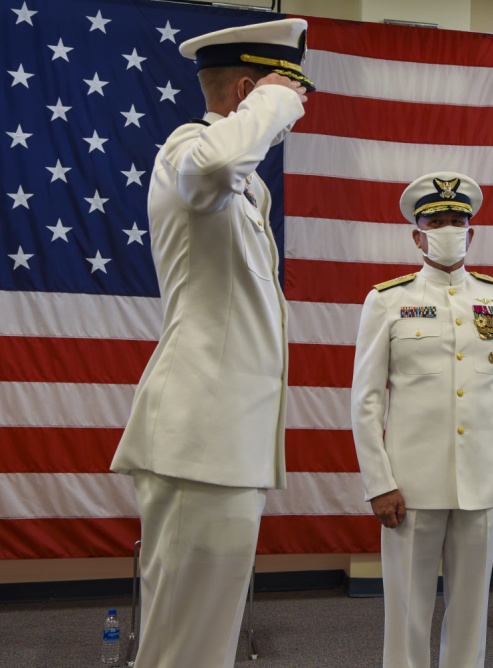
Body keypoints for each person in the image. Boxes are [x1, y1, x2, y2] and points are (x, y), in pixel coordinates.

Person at [110, 18, 312, 668]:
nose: (296, 113)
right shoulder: (188, 153)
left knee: (207, 641)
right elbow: (220, 159)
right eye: (292, 96)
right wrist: (274, 100)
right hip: (199, 441)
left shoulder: (246, 191)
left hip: (226, 445)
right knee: (183, 645)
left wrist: (269, 101)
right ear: (248, 91)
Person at [351, 172, 493, 668]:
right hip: (410, 486)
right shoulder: (387, 300)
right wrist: (379, 482)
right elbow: (366, 399)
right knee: (407, 612)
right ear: (417, 233)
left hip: (482, 482)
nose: (448, 229)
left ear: (471, 232)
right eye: (437, 221)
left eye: (458, 220)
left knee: (471, 611)